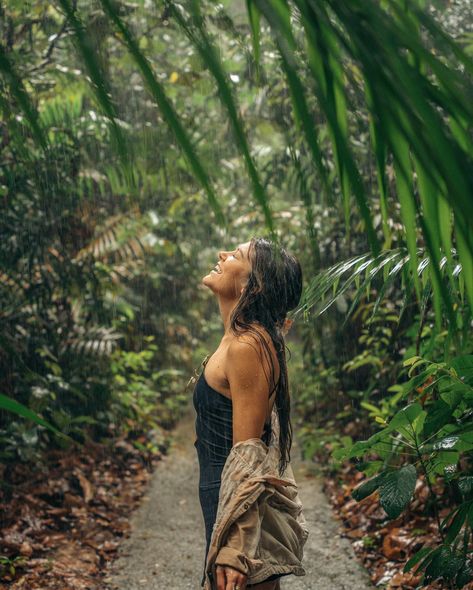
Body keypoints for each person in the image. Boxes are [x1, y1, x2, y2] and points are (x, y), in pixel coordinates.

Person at [192, 237, 308, 590]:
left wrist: (237, 546)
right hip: (228, 498)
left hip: (237, 505)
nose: (221, 255)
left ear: (251, 285)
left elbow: (250, 451)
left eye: (236, 255)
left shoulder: (247, 346)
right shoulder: (243, 339)